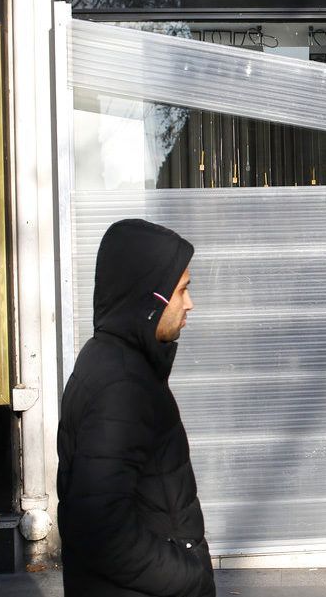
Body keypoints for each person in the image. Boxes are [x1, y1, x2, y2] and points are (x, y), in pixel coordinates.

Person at [57, 219, 215, 597]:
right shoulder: (122, 385)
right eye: (182, 291)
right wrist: (187, 576)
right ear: (152, 300)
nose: (189, 304)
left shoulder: (114, 360)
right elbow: (100, 527)